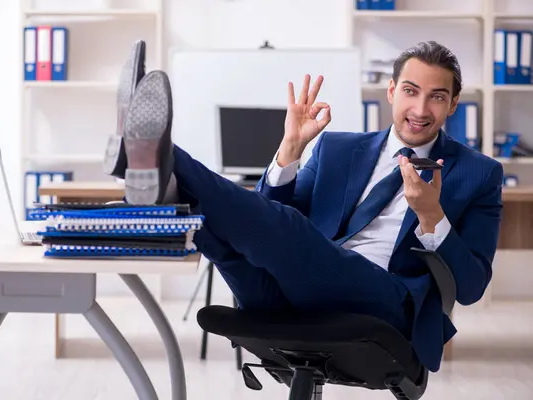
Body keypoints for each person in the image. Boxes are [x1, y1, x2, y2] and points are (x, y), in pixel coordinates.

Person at [119, 40, 504, 373]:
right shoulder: (337, 148)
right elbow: (261, 224)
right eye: (410, 90)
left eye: (437, 96)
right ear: (391, 92)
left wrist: (432, 217)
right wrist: (290, 150)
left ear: (453, 104)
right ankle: (160, 178)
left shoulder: (478, 174)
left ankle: (150, 152)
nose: (420, 109)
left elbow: (471, 288)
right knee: (211, 230)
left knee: (291, 228)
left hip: (385, 302)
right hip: (295, 289)